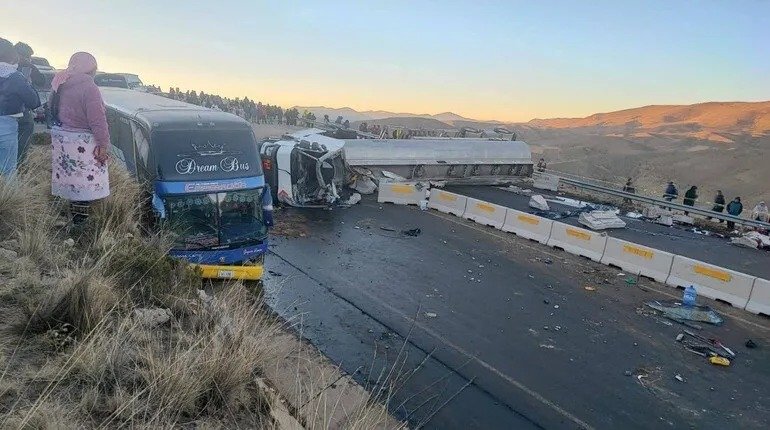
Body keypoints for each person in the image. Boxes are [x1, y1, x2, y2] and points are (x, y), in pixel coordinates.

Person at [49, 52, 110, 223]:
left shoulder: (60, 82)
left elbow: (51, 108)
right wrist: (103, 144)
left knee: (70, 179)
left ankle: (71, 216)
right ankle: (80, 223)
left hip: (63, 139)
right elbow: (97, 120)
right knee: (84, 183)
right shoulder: (89, 87)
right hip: (83, 142)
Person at [0, 38, 40, 176]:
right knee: (8, 170)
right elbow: (33, 101)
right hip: (6, 125)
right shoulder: (15, 76)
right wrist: (27, 81)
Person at [14, 42, 45, 165]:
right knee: (25, 131)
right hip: (21, 110)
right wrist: (30, 65)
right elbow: (41, 81)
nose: (29, 59)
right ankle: (19, 165)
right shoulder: (25, 67)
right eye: (28, 56)